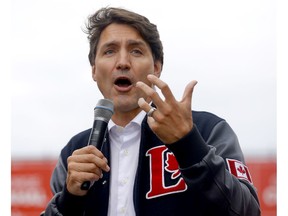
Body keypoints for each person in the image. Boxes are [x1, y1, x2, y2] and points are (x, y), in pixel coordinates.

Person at [43, 6, 261, 216]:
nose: (122, 62)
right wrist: (70, 199)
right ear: (93, 69)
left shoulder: (207, 130)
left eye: (136, 51)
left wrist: (188, 144)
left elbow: (247, 211)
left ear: (156, 67)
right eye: (109, 51)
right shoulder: (74, 151)